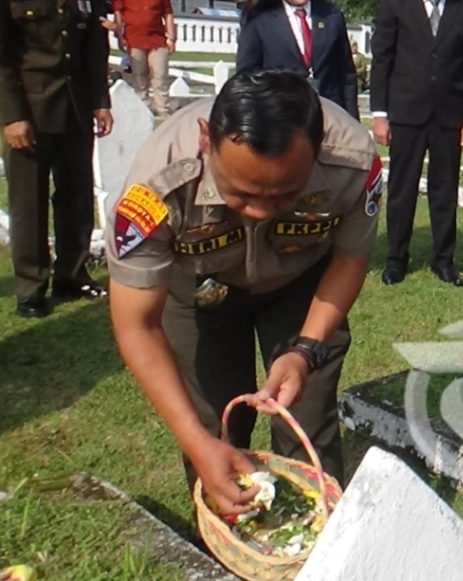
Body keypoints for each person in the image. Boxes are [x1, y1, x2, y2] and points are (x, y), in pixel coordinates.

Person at [106, 70, 381, 513]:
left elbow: (350, 260)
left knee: (307, 423)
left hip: (302, 286)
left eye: (284, 196)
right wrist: (197, 443)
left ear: (318, 151)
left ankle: (317, 542)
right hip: (198, 289)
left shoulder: (352, 162)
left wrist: (305, 350)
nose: (259, 212)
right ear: (205, 140)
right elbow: (137, 325)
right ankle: (224, 537)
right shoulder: (157, 185)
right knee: (213, 429)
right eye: (241, 193)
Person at [0, 0, 113, 318]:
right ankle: (31, 286)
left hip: (75, 103)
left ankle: (73, 274)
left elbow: (94, 42)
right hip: (29, 106)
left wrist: (100, 100)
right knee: (28, 199)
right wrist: (12, 115)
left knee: (77, 195)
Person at [370, 0, 463, 287]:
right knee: (402, 189)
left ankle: (443, 260)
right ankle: (396, 258)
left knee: (444, 190)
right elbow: (382, 60)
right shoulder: (395, 2)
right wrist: (380, 114)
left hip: (449, 116)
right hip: (405, 113)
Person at [236, 0, 359, 119]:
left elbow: (346, 74)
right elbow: (247, 75)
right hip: (279, 118)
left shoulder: (331, 15)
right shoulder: (258, 18)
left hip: (329, 116)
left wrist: (351, 120)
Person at [112, 0, 175, 118]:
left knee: (160, 75)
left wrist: (172, 37)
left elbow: (168, 14)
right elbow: (118, 14)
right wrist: (120, 37)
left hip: (157, 39)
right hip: (134, 39)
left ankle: (163, 110)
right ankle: (143, 109)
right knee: (139, 77)